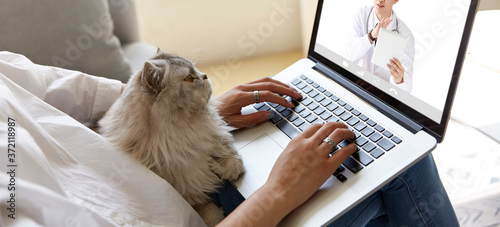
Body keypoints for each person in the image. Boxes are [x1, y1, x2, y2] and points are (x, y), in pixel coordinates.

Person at [0, 51, 458, 226]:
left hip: (173, 184)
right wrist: (277, 194)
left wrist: (190, 119)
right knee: (402, 160)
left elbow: (76, 92)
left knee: (378, 159)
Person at [347, 0, 415, 92]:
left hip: (382, 95)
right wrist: (371, 36)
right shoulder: (361, 15)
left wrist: (400, 79)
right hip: (356, 86)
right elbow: (349, 55)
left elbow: (407, 88)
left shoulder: (406, 35)